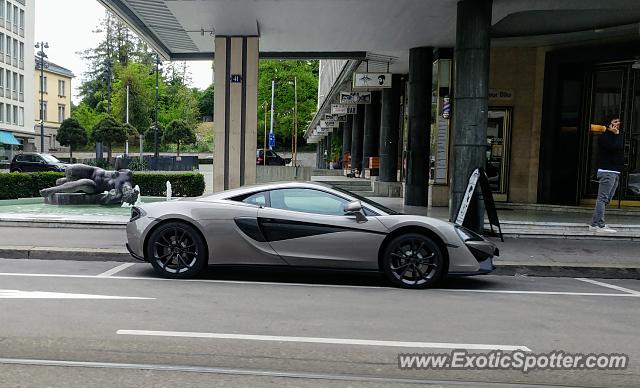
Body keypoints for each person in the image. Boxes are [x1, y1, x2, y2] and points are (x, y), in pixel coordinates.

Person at [589, 117, 624, 233]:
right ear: (609, 125)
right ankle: (600, 225)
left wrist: (617, 135)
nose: (618, 124)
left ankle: (594, 224)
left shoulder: (617, 136)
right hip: (607, 171)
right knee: (602, 199)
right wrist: (616, 135)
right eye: (615, 122)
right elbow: (614, 147)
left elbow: (619, 149)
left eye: (619, 122)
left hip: (615, 172)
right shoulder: (604, 137)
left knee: (606, 199)